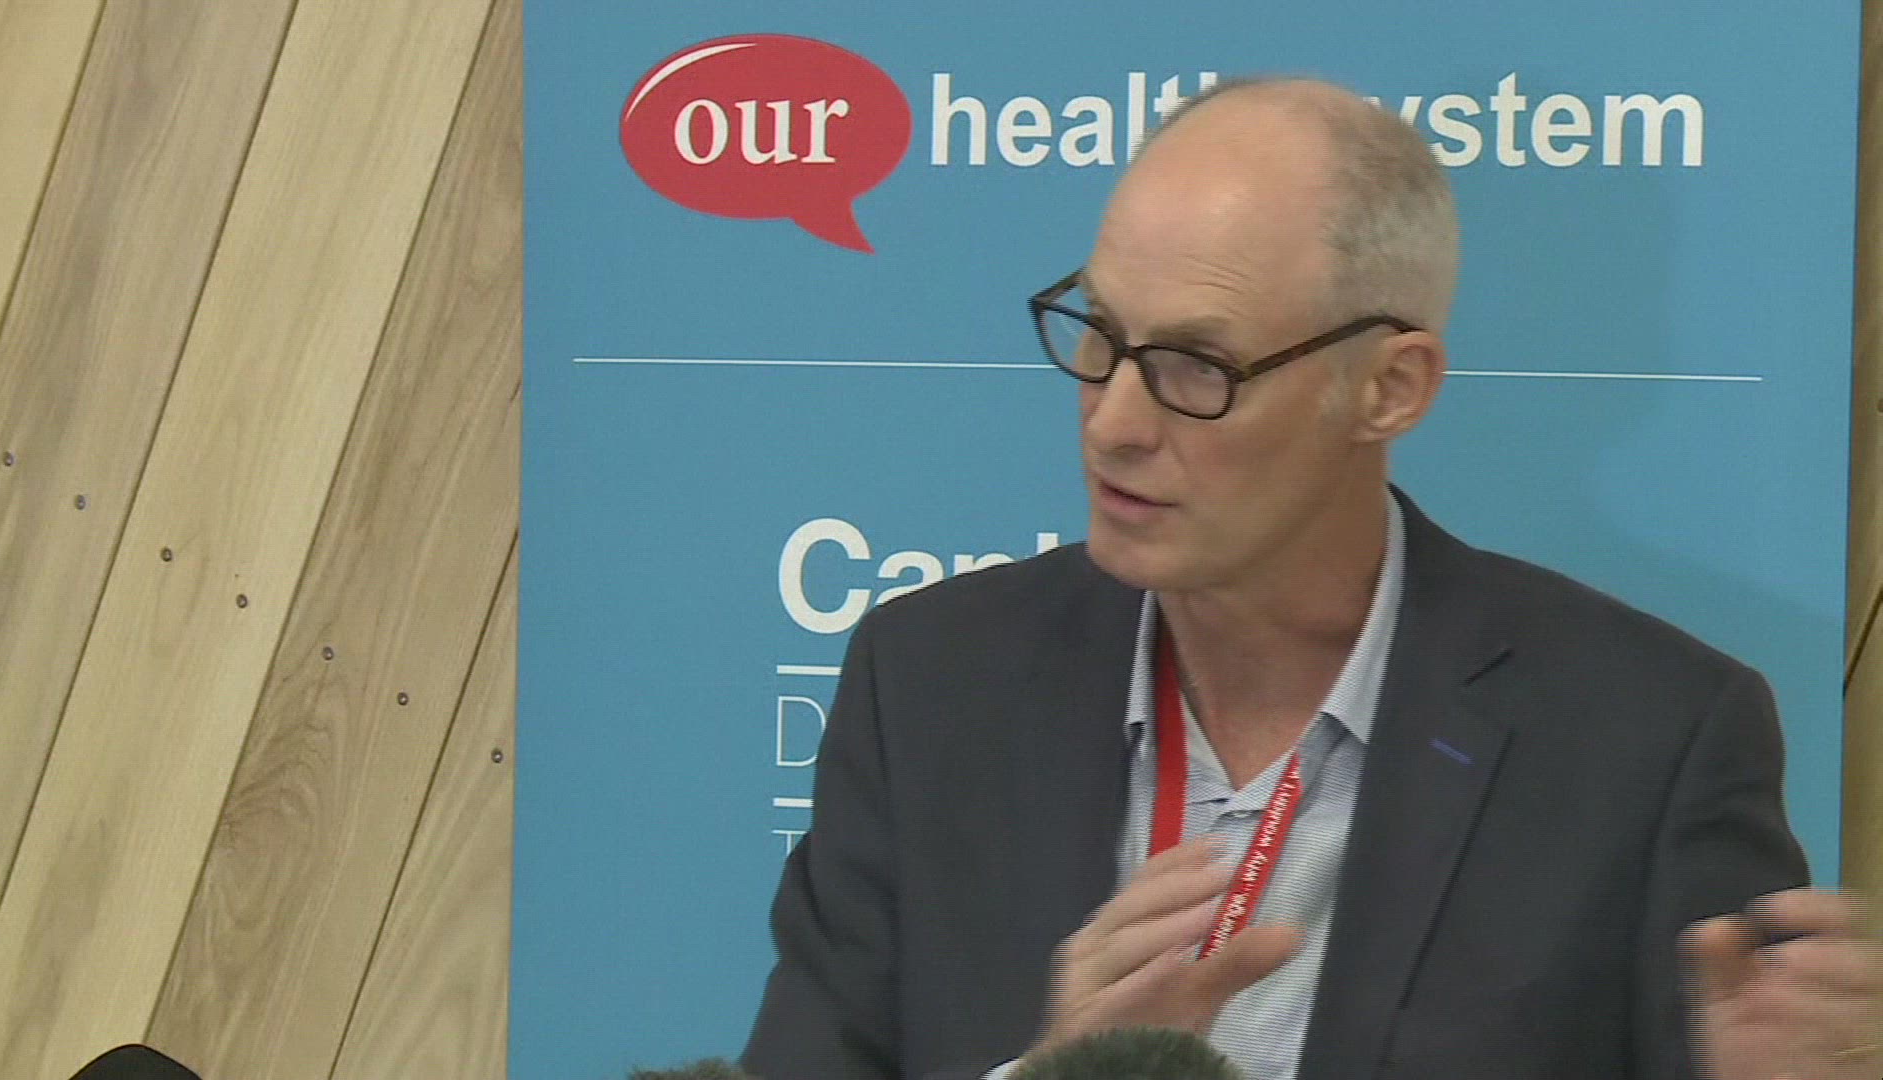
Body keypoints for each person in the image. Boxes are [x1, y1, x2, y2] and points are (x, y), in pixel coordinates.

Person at [740, 76, 1883, 1080]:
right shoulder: (933, 683)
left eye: (1196, 366)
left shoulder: (1644, 741)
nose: (1114, 422)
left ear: (1390, 388)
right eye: (1100, 336)